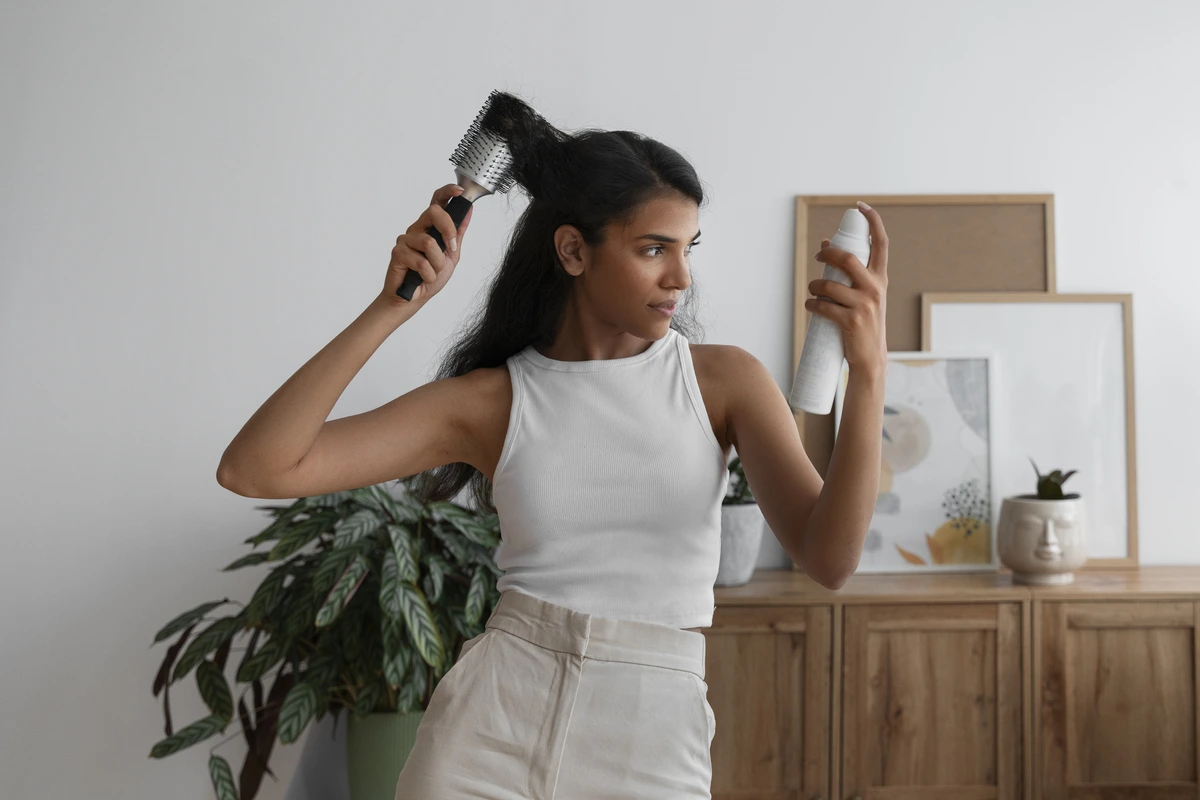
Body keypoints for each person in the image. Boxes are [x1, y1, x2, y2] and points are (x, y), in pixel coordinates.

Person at [216, 100, 889, 799]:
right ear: (572, 251)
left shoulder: (722, 382)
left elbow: (830, 560)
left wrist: (868, 376)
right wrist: (393, 306)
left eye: (688, 247)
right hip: (493, 723)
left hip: (651, 736)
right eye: (653, 249)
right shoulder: (492, 401)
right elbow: (255, 468)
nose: (681, 278)